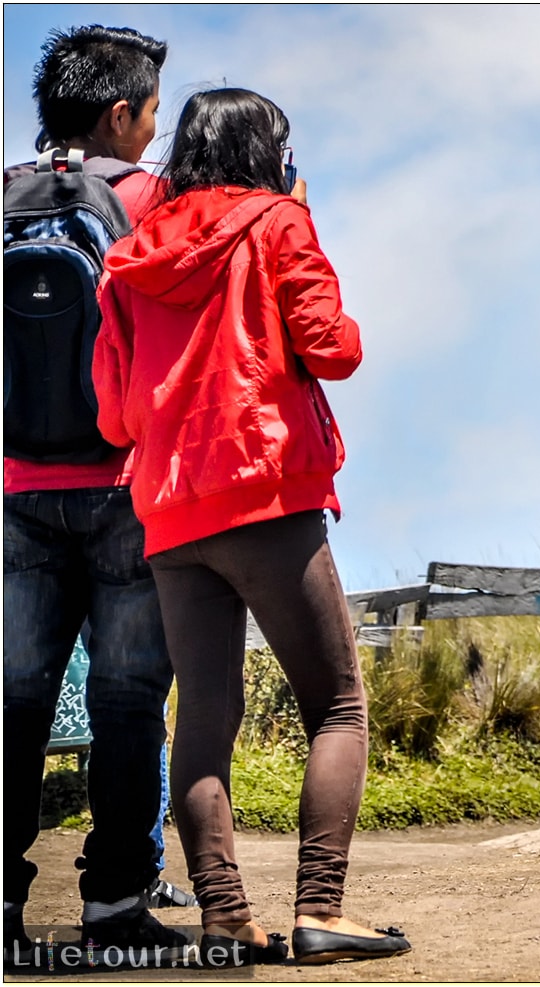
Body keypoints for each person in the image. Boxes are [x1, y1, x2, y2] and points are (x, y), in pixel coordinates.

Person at [92, 87, 411, 966]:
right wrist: (301, 231)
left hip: (168, 510)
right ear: (268, 154)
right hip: (265, 495)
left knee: (202, 715)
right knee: (338, 705)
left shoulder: (127, 255)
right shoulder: (277, 223)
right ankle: (320, 908)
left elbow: (116, 416)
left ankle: (226, 916)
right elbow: (333, 349)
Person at [3, 25, 187, 963]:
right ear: (122, 112)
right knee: (125, 700)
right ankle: (115, 906)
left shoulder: (1, 197)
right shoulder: (155, 199)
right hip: (125, 485)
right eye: (153, 112)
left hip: (16, 488)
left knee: (13, 702)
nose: (155, 130)